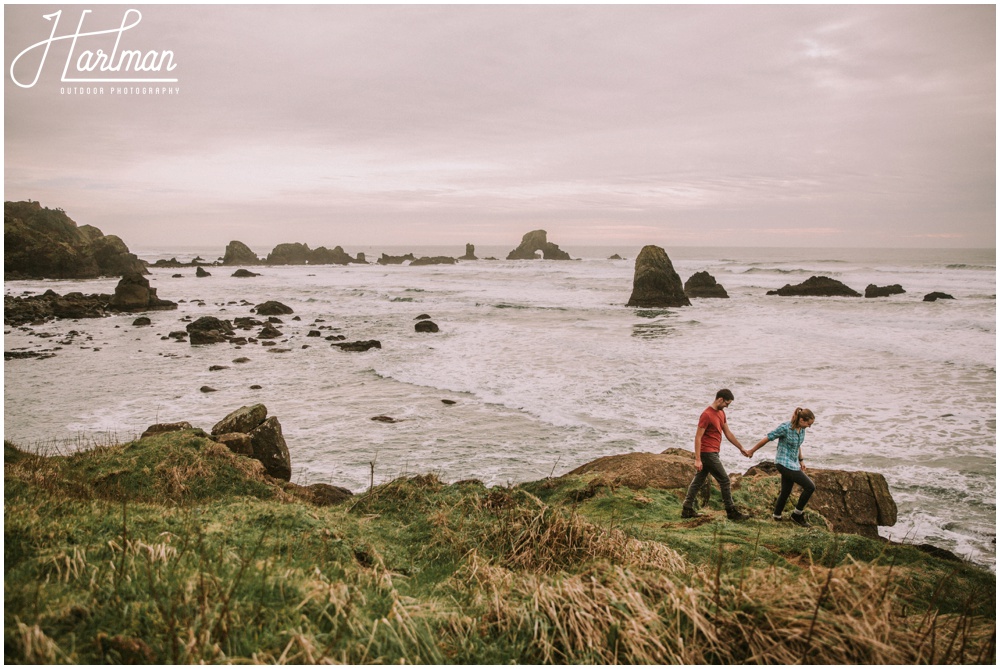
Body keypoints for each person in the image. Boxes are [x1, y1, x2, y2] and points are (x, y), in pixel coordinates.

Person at [681, 389, 749, 521]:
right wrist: (697, 459)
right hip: (707, 453)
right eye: (726, 403)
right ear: (720, 399)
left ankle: (687, 509)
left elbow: (728, 433)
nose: (727, 406)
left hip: (713, 452)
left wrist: (741, 448)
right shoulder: (706, 415)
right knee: (725, 480)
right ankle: (731, 512)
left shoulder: (721, 413)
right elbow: (698, 437)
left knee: (698, 481)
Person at [748, 407, 816, 527]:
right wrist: (752, 450)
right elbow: (768, 438)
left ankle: (777, 515)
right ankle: (797, 514)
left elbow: (798, 445)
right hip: (783, 463)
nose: (809, 426)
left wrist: (801, 460)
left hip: (793, 463)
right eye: (808, 424)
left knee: (786, 491)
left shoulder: (802, 429)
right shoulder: (785, 428)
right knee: (810, 486)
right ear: (801, 420)